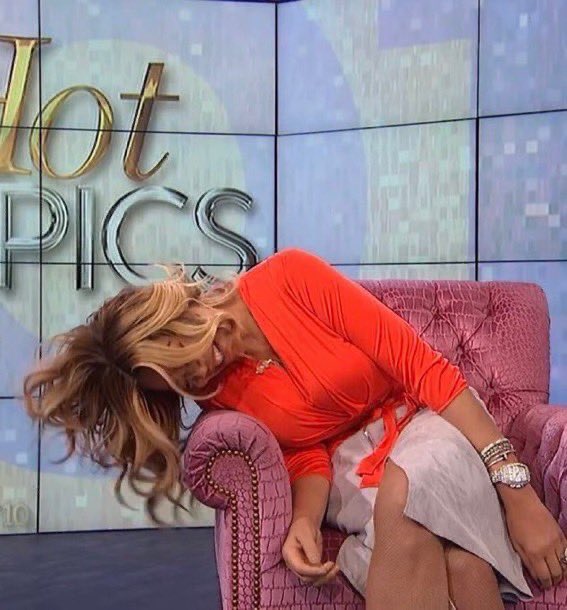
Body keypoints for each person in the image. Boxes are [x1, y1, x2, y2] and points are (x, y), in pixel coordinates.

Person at [23, 247, 565, 609]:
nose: (202, 375)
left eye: (185, 359)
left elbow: (420, 366)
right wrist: (304, 520)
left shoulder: (289, 277)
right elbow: (307, 451)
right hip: (351, 470)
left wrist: (519, 494)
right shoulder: (219, 391)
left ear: (173, 320)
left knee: (407, 487)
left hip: (422, 420)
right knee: (461, 567)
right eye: (185, 383)